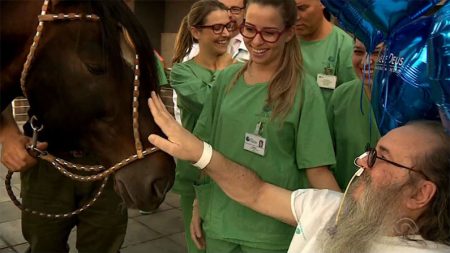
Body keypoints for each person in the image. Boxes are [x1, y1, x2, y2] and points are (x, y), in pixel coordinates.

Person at [148, 92, 450, 253]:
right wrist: (200, 153)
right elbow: (256, 192)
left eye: (381, 159)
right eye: (372, 152)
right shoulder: (331, 206)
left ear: (422, 192)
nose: (361, 162)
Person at [183, 0, 339, 251]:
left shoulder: (302, 90)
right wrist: (198, 205)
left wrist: (343, 222)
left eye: (269, 33)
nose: (256, 41)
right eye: (249, 29)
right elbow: (206, 153)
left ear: (289, 33)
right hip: (220, 222)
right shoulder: (226, 81)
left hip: (271, 233)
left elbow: (317, 170)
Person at [0, 108, 128, 252]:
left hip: (108, 160)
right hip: (45, 161)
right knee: (44, 246)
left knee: (105, 246)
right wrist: (9, 135)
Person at [170, 1, 236, 251]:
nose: (226, 34)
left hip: (235, 166)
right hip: (196, 173)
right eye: (217, 28)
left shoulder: (243, 69)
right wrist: (227, 69)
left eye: (228, 26)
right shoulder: (181, 73)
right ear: (196, 31)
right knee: (199, 244)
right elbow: (213, 106)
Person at [327, 39, 383, 189]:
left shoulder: (409, 105)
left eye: (377, 53)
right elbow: (325, 159)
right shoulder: (341, 96)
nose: (366, 61)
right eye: (358, 52)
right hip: (344, 200)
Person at [295, 0, 356, 105]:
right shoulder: (281, 40)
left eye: (302, 8)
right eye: (290, 9)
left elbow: (352, 100)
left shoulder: (343, 46)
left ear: (323, 3)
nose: (295, 17)